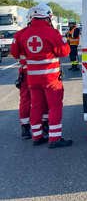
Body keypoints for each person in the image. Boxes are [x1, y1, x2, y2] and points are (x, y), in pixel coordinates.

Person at [13, 3, 72, 148]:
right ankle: (54, 138)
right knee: (54, 106)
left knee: (36, 106)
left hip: (32, 78)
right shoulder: (52, 33)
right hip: (50, 78)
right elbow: (64, 52)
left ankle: (37, 136)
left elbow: (16, 53)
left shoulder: (23, 34)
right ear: (47, 17)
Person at [11, 8, 49, 140]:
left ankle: (26, 128)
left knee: (25, 100)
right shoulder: (45, 32)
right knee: (43, 99)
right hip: (42, 72)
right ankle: (44, 125)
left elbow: (15, 54)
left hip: (26, 72)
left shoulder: (19, 35)